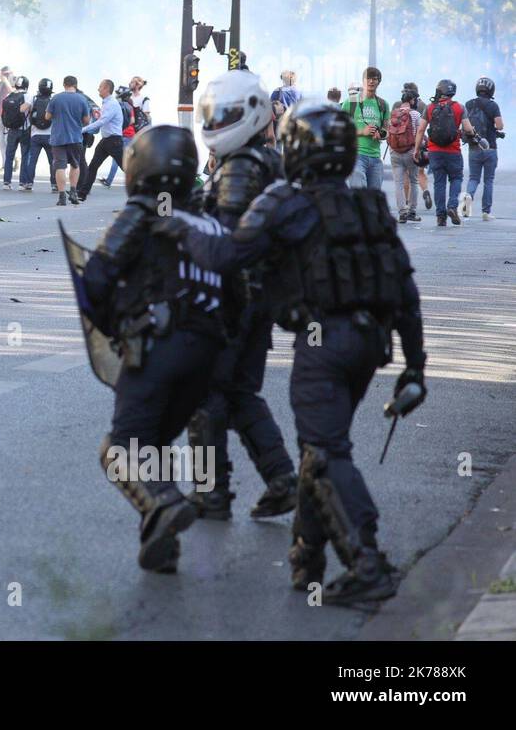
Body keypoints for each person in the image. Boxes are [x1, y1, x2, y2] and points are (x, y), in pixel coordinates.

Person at [158, 101, 427, 605]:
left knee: (325, 451)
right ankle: (308, 560)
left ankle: (366, 561)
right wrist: (415, 366)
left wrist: (178, 226)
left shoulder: (284, 200)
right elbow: (405, 289)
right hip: (373, 346)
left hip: (322, 344)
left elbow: (229, 254)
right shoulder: (369, 205)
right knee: (319, 448)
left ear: (296, 148)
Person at [76, 125, 227, 573]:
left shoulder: (141, 212)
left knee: (121, 448)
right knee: (153, 447)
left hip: (157, 346)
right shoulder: (207, 221)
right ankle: (161, 544)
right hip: (206, 357)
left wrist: (115, 328)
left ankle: (163, 504)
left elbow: (97, 278)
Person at [185, 69, 297, 520]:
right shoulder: (264, 160)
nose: (215, 122)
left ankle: (212, 493)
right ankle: (281, 477)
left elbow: (227, 244)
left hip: (233, 302)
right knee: (239, 394)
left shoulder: (241, 169)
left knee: (206, 397)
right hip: (258, 301)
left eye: (224, 114)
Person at [416, 79, 474, 227]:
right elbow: (468, 129)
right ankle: (452, 206)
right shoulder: (460, 108)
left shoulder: (429, 108)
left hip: (435, 152)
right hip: (454, 151)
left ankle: (440, 217)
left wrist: (417, 149)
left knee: (439, 183)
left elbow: (421, 129)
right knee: (456, 179)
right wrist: (473, 133)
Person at [75, 79, 126, 203]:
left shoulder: (112, 104)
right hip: (106, 140)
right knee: (93, 166)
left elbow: (102, 121)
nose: (98, 89)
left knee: (128, 168)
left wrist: (83, 130)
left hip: (114, 141)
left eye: (100, 87)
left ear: (107, 89)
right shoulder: (105, 103)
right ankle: (82, 194)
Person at [462, 77, 503, 221]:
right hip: (490, 147)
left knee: (473, 178)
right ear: (491, 90)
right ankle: (486, 212)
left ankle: (468, 198)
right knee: (489, 180)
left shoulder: (469, 104)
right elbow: (499, 125)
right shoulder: (493, 105)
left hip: (474, 146)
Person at [343, 66, 389, 191]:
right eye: (368, 78)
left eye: (375, 79)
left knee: (374, 200)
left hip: (376, 158)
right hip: (356, 156)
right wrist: (362, 131)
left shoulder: (383, 104)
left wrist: (382, 134)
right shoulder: (351, 102)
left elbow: (386, 130)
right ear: (363, 80)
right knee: (359, 195)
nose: (371, 81)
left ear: (379, 82)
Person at [46, 76, 90, 205]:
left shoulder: (56, 98)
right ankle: (73, 192)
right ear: (75, 85)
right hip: (75, 137)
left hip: (58, 137)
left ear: (64, 84)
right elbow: (87, 120)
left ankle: (61, 196)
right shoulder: (82, 99)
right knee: (75, 165)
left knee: (60, 166)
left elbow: (47, 116)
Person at [386, 88, 422, 223]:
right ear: (412, 100)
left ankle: (402, 212)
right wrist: (418, 150)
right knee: (414, 181)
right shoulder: (416, 115)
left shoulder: (394, 113)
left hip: (395, 152)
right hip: (410, 152)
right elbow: (420, 133)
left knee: (398, 183)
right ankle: (412, 212)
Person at [21, 78, 54, 191]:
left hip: (35, 134)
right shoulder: (52, 99)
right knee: (52, 160)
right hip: (50, 134)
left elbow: (23, 109)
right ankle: (54, 185)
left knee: (32, 160)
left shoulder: (34, 98)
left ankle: (29, 183)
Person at [0, 76, 30, 189]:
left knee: (9, 156)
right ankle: (23, 183)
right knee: (25, 156)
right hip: (25, 129)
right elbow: (26, 110)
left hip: (11, 129)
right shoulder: (29, 96)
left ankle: (6, 182)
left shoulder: (9, 96)